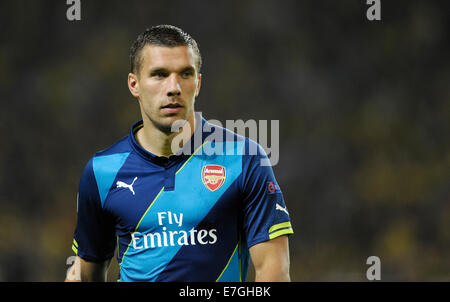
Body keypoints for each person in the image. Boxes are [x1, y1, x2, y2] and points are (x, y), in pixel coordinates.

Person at [66, 25, 293, 282]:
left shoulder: (244, 159)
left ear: (198, 83)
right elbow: (86, 274)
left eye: (185, 74)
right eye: (159, 75)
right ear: (134, 84)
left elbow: (274, 272)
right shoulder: (101, 171)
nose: (173, 87)